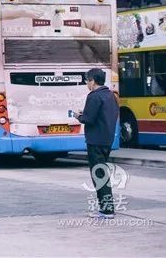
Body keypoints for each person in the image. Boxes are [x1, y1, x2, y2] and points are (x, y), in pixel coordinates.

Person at [73, 68, 119, 219]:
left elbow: (89, 119)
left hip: (95, 140)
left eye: (87, 80)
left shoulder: (94, 96)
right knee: (102, 173)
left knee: (99, 175)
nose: (87, 83)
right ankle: (107, 209)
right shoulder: (110, 95)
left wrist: (78, 116)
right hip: (107, 139)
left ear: (92, 81)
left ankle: (107, 210)